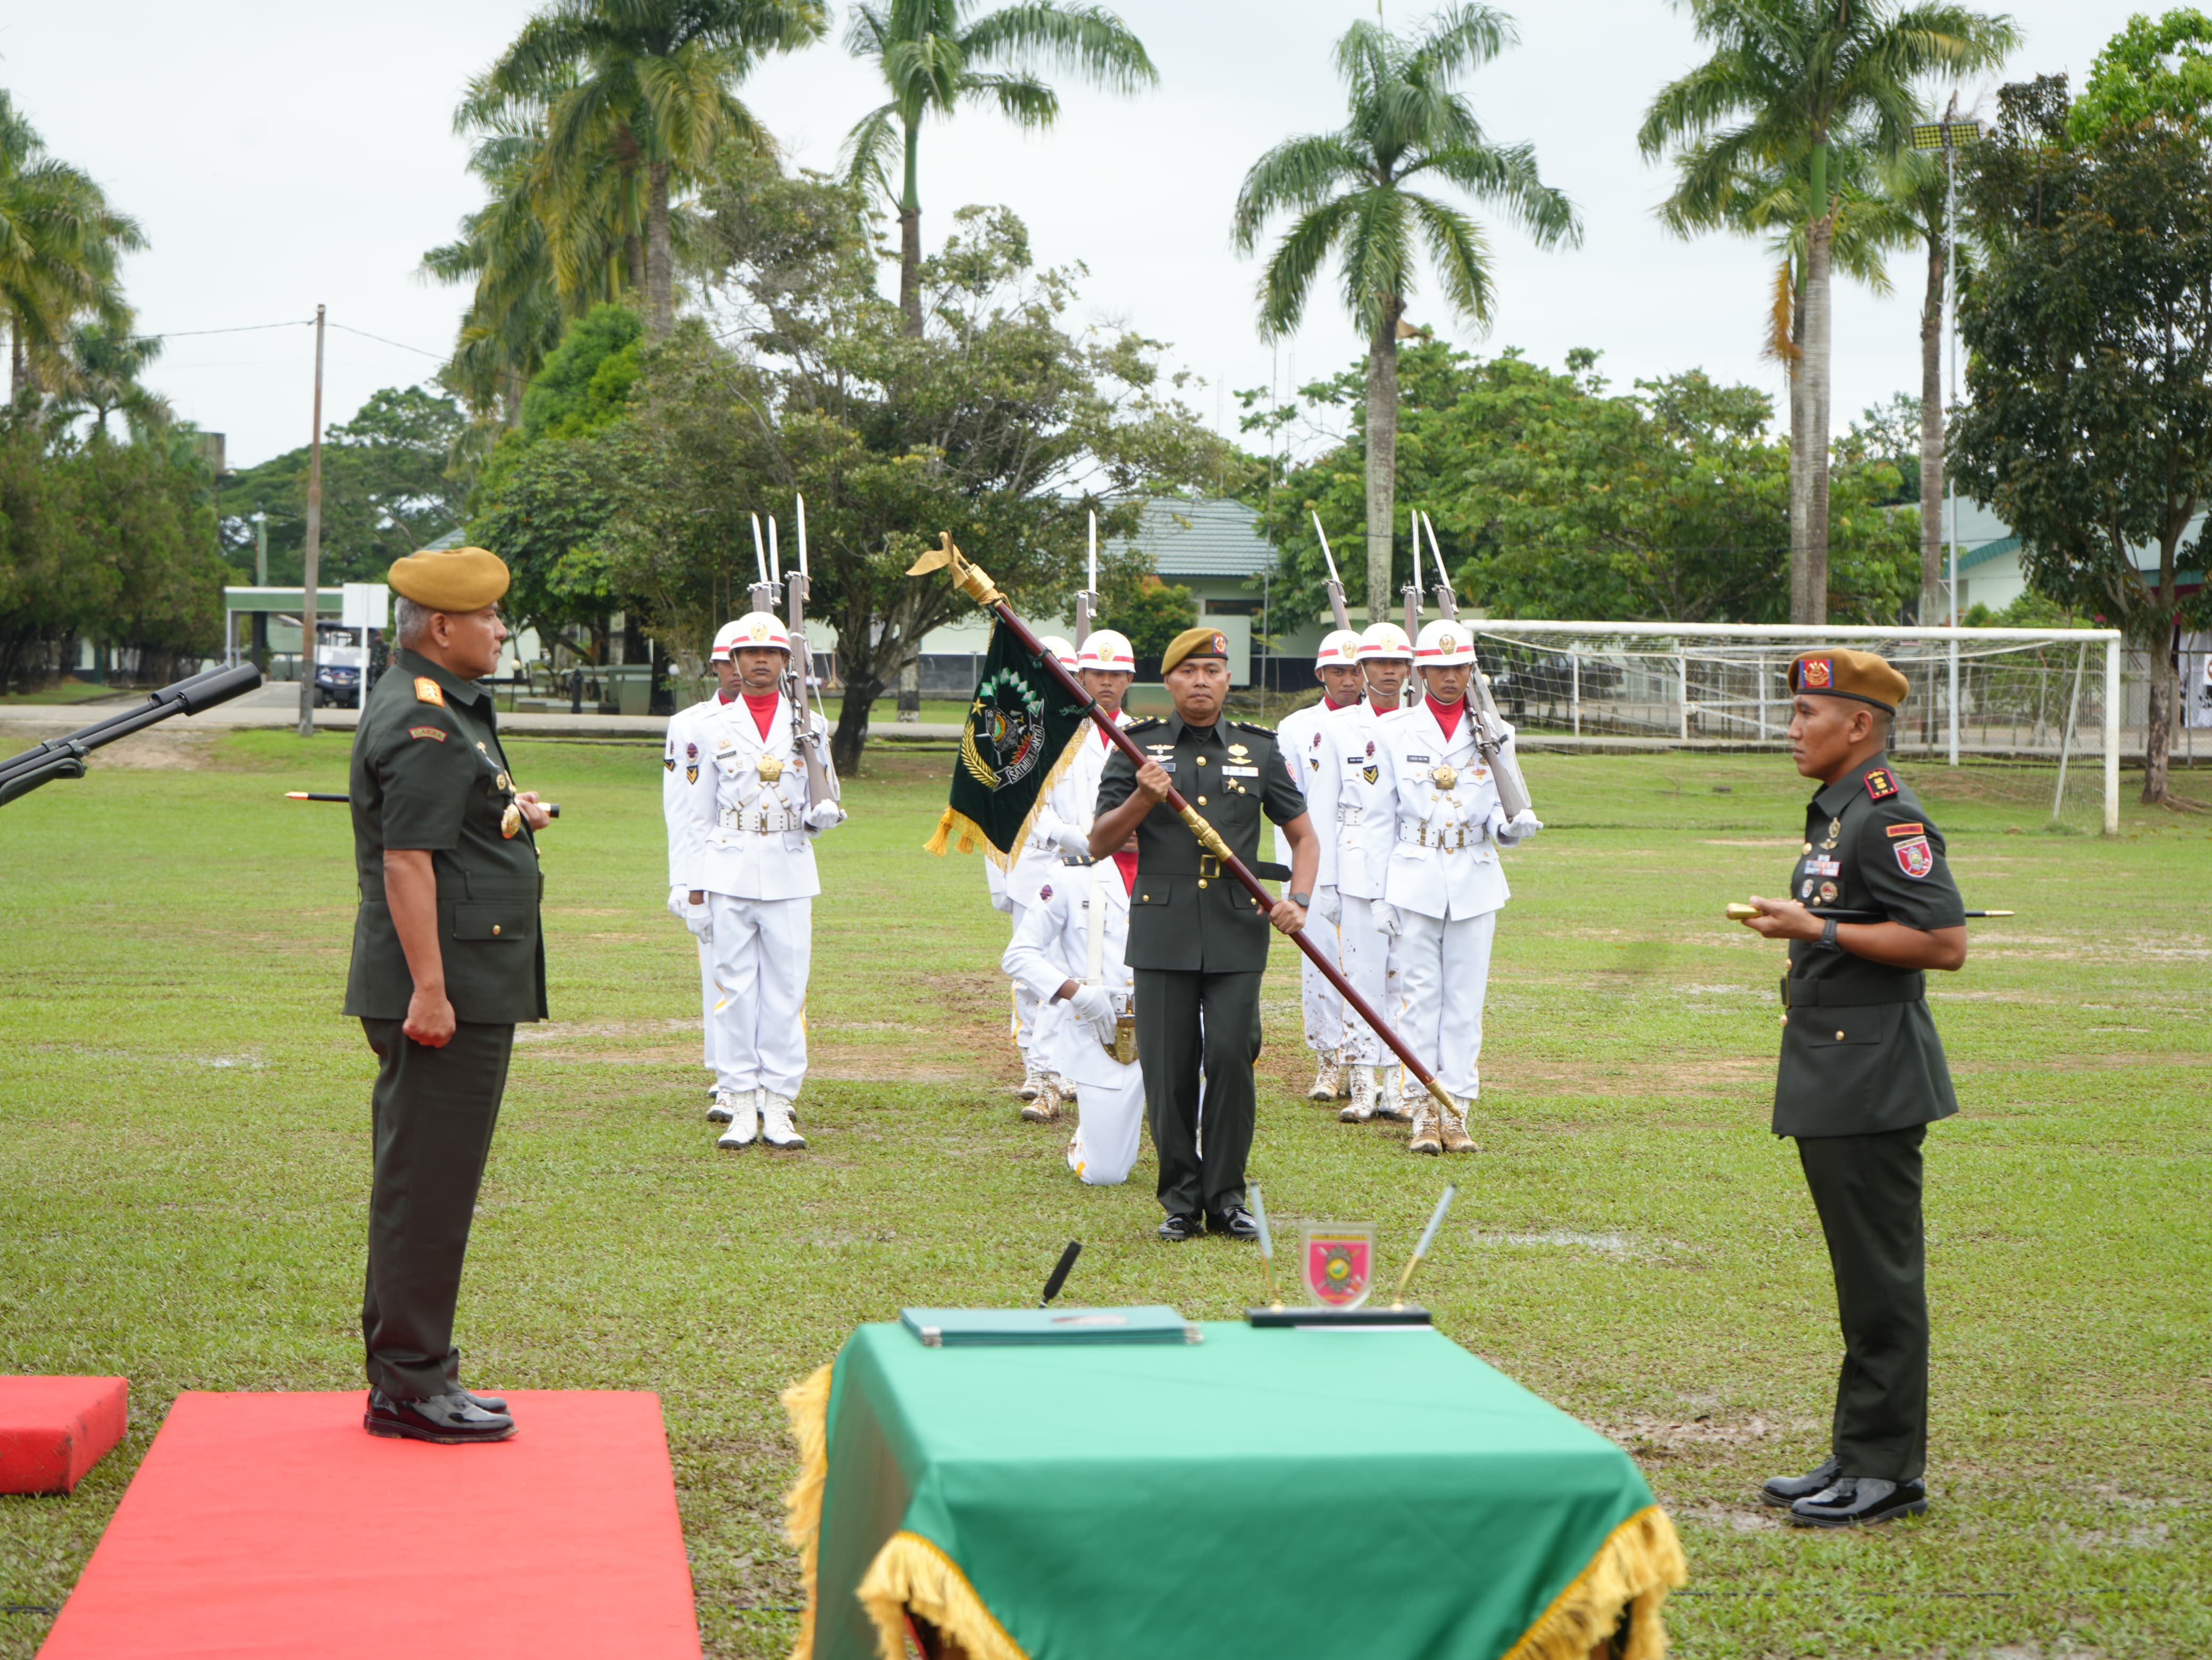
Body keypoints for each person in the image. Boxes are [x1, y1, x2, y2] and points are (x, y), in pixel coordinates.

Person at [1735, 649, 1967, 1529]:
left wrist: (1814, 926)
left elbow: (1944, 941)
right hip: (1837, 1066)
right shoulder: (1836, 818)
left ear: (1858, 725)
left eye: (1807, 714)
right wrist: (1813, 926)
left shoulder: (1886, 818)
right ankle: (1859, 1448)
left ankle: (1888, 1472)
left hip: (1870, 1076)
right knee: (1859, 1280)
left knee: (1881, 1279)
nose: (1792, 729)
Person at [345, 545, 551, 1445]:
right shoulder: (423, 719)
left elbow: (447, 829)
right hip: (448, 990)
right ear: (442, 627)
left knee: (426, 1178)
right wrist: (430, 989)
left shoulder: (442, 707)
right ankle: (411, 1383)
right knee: (427, 1185)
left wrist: (509, 810)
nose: (502, 630)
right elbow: (405, 860)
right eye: (492, 617)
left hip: (466, 978)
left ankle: (413, 1369)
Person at [1091, 626, 1317, 1241]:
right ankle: (1181, 1202)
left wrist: (1297, 899)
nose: (1200, 681)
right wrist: (1142, 799)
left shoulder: (1259, 751)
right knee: (1168, 1070)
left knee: (1229, 1057)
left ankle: (1226, 1196)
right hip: (1161, 929)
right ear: (1166, 682)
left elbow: (1303, 836)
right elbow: (1100, 842)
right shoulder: (1134, 748)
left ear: (1226, 680)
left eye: (1211, 671)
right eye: (1187, 671)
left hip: (1235, 927)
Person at [1360, 619, 1541, 1151]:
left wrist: (1511, 827)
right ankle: (1422, 1108)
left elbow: (1501, 812)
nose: (1448, 676)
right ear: (1421, 669)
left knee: (1465, 999)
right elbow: (1377, 820)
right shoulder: (1393, 730)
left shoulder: (1494, 730)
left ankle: (1455, 1109)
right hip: (1414, 874)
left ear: (1470, 669)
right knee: (1418, 997)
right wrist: (1377, 893)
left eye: (1457, 666)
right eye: (1437, 667)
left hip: (1473, 874)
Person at [674, 610, 846, 1152]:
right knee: (734, 991)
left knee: (786, 993)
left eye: (770, 652)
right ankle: (740, 1099)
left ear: (785, 660)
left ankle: (778, 1100)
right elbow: (695, 818)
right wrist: (693, 889)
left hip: (790, 868)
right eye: (749, 654)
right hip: (728, 867)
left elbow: (826, 795)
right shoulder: (709, 727)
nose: (759, 661)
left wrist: (823, 816)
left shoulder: (810, 724)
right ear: (733, 662)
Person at [1011, 629, 1139, 1123]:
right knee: (1053, 971)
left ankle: (1111, 1067)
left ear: (1129, 678)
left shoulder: (1144, 734)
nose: (1105, 683)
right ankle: (1044, 1079)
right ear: (1078, 675)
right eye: (1096, 673)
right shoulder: (1049, 732)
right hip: (1065, 866)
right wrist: (1072, 836)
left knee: (1114, 971)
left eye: (1115, 674)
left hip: (1125, 868)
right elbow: (1025, 803)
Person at [1304, 620, 1415, 1122]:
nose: (1388, 673)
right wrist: (1323, 879)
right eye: (1379, 664)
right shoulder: (1337, 727)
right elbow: (1323, 807)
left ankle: (1396, 1083)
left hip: (1406, 866)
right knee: (1359, 977)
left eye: (1397, 664)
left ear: (1410, 669)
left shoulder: (1418, 725)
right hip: (1352, 864)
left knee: (1401, 978)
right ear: (1364, 669)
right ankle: (1362, 1084)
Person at [1000, 833, 1145, 1184]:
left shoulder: (1182, 870)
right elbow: (1019, 955)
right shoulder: (1071, 875)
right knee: (1105, 1173)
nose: (1132, 828)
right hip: (1105, 1033)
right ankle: (1089, 1139)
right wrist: (1078, 994)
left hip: (1174, 1024)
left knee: (1202, 1157)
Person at [1272, 629, 1366, 1103]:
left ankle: (1364, 1061)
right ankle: (1328, 1063)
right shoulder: (1294, 728)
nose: (1348, 680)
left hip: (1365, 870)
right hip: (1315, 869)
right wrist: (1291, 879)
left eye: (1355, 670)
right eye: (1338, 671)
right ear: (1320, 675)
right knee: (1320, 971)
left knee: (1366, 969)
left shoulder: (1383, 723)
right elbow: (1284, 807)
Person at [664, 619, 745, 1122]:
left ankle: (769, 1076)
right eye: (729, 661)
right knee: (717, 973)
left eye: (750, 658)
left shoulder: (789, 720)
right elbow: (682, 809)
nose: (739, 670)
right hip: (712, 866)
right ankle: (725, 1074)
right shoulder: (691, 723)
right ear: (715, 666)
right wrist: (683, 879)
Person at [1000, 635, 1082, 1104]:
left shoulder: (1094, 728)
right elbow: (1016, 799)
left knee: (1079, 966)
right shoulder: (1018, 731)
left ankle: (1068, 1064)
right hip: (1035, 863)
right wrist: (1064, 833)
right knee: (1032, 970)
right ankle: (1035, 1066)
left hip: (1090, 862)